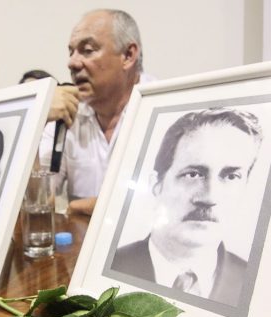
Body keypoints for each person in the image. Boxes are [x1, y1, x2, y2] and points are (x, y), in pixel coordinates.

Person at [111, 107, 263, 306]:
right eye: (193, 174)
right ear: (156, 185)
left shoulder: (258, 290)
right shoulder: (112, 266)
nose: (210, 197)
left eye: (230, 176)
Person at [42, 9, 154, 216]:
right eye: (71, 52)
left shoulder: (161, 110)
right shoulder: (66, 116)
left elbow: (153, 204)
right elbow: (39, 200)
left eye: (87, 50)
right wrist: (37, 120)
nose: (72, 63)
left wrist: (70, 205)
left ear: (128, 55)